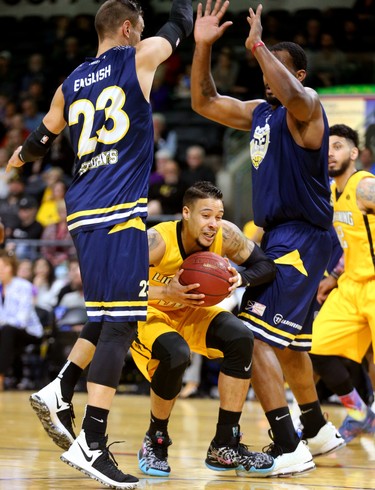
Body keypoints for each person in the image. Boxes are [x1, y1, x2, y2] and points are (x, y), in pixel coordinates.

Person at [7, 0, 194, 488]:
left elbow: (40, 140)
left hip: (82, 211)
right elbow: (180, 27)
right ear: (128, 28)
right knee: (121, 324)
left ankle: (60, 388)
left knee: (108, 313)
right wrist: (184, 9)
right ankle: (92, 440)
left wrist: (18, 159)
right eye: (142, 28)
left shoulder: (69, 83)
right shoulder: (139, 56)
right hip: (118, 211)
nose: (146, 34)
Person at [14, 181, 277, 478]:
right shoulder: (157, 241)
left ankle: (225, 443)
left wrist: (239, 280)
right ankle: (156, 438)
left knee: (241, 337)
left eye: (218, 215)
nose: (213, 224)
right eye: (206, 215)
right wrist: (168, 293)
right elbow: (114, 287)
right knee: (176, 353)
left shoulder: (226, 235)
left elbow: (266, 266)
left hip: (193, 311)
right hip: (151, 312)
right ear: (186, 213)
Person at [190, 1, 345, 477]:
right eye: (261, 62)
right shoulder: (261, 113)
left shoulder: (308, 107)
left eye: (275, 64)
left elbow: (296, 96)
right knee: (292, 345)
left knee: (251, 336)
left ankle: (287, 443)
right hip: (280, 235)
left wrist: (259, 46)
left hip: (301, 235)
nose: (264, 73)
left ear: (296, 72)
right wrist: (201, 47)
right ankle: (316, 429)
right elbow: (204, 102)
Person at [310, 124, 375, 443]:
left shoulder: (364, 186)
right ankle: (360, 412)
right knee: (317, 348)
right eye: (327, 147)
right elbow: (353, 242)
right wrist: (334, 277)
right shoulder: (333, 192)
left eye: (338, 146)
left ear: (354, 153)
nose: (330, 153)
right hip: (350, 286)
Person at [0, 250, 43, 391]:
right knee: (6, 331)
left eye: (4, 266)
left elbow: (21, 320)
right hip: (7, 332)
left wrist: (4, 322)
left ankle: (1, 377)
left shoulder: (24, 286)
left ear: (12, 267)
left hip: (30, 333)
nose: (1, 269)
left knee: (7, 331)